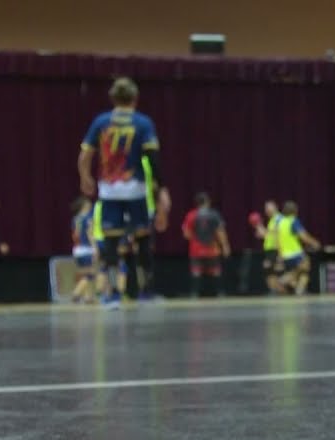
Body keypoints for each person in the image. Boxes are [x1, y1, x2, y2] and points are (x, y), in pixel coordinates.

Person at [78, 77, 171, 306]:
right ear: (135, 99)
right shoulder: (143, 123)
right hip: (135, 189)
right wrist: (162, 190)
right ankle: (146, 292)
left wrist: (85, 176)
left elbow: (85, 155)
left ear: (112, 98)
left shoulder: (101, 121)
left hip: (109, 189)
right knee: (142, 239)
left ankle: (111, 295)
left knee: (110, 243)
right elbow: (153, 158)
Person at [182, 192, 230, 298]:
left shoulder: (191, 215)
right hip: (212, 248)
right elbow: (220, 232)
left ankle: (195, 294)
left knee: (196, 271)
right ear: (207, 201)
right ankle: (219, 293)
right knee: (216, 271)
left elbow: (186, 234)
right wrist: (225, 246)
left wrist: (195, 239)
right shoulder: (214, 214)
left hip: (196, 249)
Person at [275, 201, 321, 296]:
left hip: (285, 254)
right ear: (295, 211)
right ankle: (284, 281)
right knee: (305, 268)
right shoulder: (293, 221)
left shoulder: (280, 222)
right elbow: (303, 236)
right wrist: (314, 243)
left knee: (300, 271)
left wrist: (280, 255)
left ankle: (298, 290)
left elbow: (277, 240)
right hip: (295, 252)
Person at [70, 196, 97, 303]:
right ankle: (76, 293)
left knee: (86, 273)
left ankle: (88, 297)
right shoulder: (88, 218)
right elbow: (90, 234)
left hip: (77, 249)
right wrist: (95, 247)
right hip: (87, 249)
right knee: (91, 274)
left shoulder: (75, 219)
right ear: (84, 206)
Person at [253, 200, 283, 294]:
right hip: (270, 250)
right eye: (265, 208)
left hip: (275, 249)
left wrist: (280, 253)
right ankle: (274, 290)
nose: (266, 210)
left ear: (275, 207)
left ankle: (278, 290)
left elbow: (279, 235)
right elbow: (269, 234)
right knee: (269, 271)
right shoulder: (272, 220)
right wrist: (259, 227)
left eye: (268, 207)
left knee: (273, 270)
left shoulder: (278, 219)